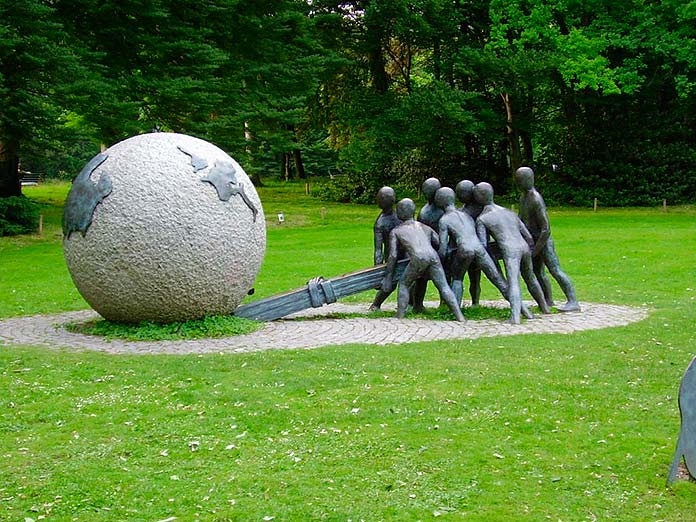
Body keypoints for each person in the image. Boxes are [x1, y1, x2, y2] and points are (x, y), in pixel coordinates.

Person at [435, 187, 532, 319]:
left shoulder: (444, 220)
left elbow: (443, 247)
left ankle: (456, 313)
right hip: (479, 249)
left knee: (457, 279)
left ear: (439, 202)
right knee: (499, 280)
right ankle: (524, 311)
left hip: (465, 250)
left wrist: (441, 258)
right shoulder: (466, 216)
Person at [474, 182, 550, 324]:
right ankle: (544, 307)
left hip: (510, 250)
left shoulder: (482, 219)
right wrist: (531, 250)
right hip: (524, 247)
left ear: (478, 198)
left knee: (513, 281)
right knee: (530, 278)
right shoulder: (509, 212)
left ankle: (515, 317)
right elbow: (527, 235)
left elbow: (484, 246)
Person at [381, 198, 465, 322]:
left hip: (418, 258)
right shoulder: (425, 227)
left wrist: (388, 277)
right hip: (433, 256)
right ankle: (460, 316)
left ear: (399, 213)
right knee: (443, 286)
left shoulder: (396, 231)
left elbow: (393, 255)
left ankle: (400, 316)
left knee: (404, 284)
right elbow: (440, 243)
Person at [514, 167, 580, 312]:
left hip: (543, 241)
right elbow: (521, 220)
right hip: (532, 241)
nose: (518, 183)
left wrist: (535, 250)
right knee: (538, 272)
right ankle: (548, 300)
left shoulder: (536, 199)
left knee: (555, 270)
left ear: (529, 179)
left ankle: (573, 301)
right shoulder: (523, 197)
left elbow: (546, 228)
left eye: (520, 180)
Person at [412, 177, 443, 312]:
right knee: (425, 279)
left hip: (428, 249)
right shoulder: (429, 212)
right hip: (438, 249)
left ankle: (418, 304)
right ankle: (418, 304)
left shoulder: (424, 212)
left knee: (421, 279)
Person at [369, 186, 403, 311]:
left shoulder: (395, 217)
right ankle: (376, 304)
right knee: (392, 284)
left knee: (408, 281)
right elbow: (378, 250)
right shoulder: (382, 222)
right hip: (395, 256)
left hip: (399, 255)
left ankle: (411, 304)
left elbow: (378, 249)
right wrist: (377, 272)